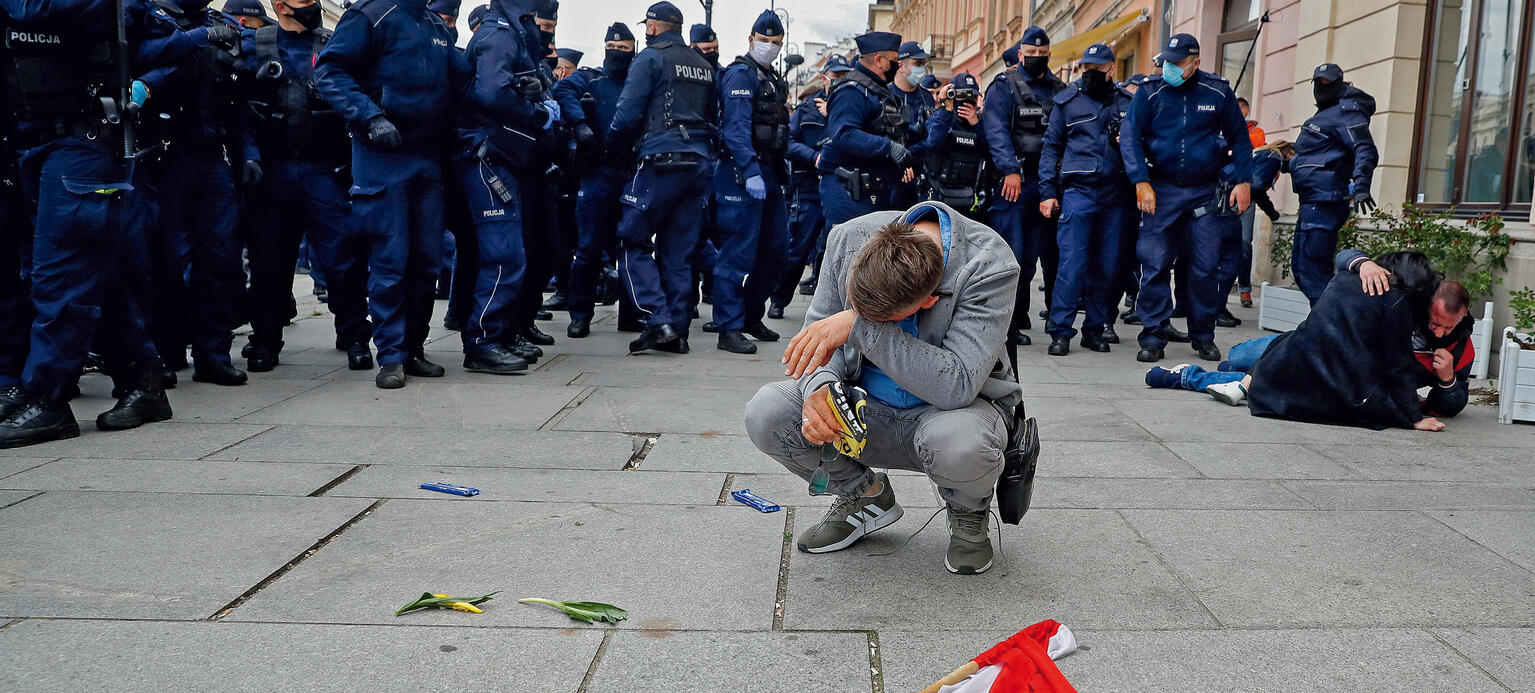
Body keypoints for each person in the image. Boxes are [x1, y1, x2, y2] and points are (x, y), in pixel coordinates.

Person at [744, 201, 1021, 575]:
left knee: (962, 444)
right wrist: (820, 388)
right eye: (857, 307)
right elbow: (820, 337)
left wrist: (858, 327)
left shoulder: (989, 263)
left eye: (884, 318)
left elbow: (958, 384)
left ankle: (968, 511)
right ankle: (864, 497)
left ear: (928, 301)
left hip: (952, 414)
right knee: (768, 411)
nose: (858, 318)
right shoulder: (847, 239)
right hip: (864, 410)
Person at [0, 0, 203, 446]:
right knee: (87, 270)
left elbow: (181, 50)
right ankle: (143, 381)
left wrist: (146, 86)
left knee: (62, 275)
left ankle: (46, 399)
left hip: (85, 141)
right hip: (30, 141)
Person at [316, 0, 472, 388]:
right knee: (390, 258)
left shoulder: (435, 25)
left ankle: (413, 348)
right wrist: (370, 117)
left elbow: (464, 81)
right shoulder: (370, 14)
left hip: (427, 156)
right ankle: (391, 355)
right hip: (382, 154)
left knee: (426, 260)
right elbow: (330, 71)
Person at [1178, 252, 1470, 432]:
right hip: (1322, 342)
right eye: (1435, 322)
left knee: (1275, 372)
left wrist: (1447, 382)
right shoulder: (1400, 298)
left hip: (1343, 363)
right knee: (1242, 356)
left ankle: (1192, 377)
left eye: (1448, 327)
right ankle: (1241, 375)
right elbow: (1344, 256)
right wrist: (1363, 263)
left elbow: (1453, 404)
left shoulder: (1458, 344)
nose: (1440, 332)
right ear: (1427, 300)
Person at [242, 0, 374, 373]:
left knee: (343, 259)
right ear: (280, 6)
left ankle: (354, 337)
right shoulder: (254, 44)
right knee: (270, 262)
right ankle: (265, 340)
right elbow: (237, 107)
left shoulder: (333, 44)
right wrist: (249, 155)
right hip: (273, 171)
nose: (313, 5)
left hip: (323, 171)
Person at [1121, 33, 1252, 363]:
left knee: (1206, 268)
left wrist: (1242, 181)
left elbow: (1241, 138)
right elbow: (1130, 138)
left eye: (1178, 64)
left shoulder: (1217, 91)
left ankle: (1203, 335)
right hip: (1159, 191)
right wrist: (1140, 182)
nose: (1170, 68)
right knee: (1154, 264)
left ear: (1195, 63)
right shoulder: (1151, 91)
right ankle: (1152, 336)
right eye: (1167, 61)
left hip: (1202, 192)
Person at [608, 1, 718, 354]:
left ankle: (658, 320)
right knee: (678, 253)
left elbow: (626, 114)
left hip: (659, 161)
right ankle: (678, 331)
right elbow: (713, 115)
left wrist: (611, 146)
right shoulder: (702, 64)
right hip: (698, 164)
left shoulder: (650, 58)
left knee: (631, 240)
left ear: (653, 27)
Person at [1037, 43, 1132, 356]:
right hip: (1079, 192)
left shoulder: (1128, 103)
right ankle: (1061, 331)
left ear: (1111, 69)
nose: (1091, 73)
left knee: (1108, 266)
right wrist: (1048, 192)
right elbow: (1051, 148)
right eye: (1086, 67)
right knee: (1071, 264)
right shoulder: (1067, 102)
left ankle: (1095, 329)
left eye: (1097, 68)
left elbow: (1140, 148)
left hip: (1116, 194)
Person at [710, 9, 791, 355]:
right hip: (741, 174)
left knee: (776, 251)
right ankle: (728, 326)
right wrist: (751, 169)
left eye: (776, 42)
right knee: (737, 253)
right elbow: (736, 130)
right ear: (751, 39)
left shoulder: (771, 77)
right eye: (764, 41)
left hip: (769, 173)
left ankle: (750, 315)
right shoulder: (742, 75)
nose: (769, 47)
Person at [554, 21, 640, 339]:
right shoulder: (592, 78)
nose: (616, 53)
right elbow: (562, 89)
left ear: (633, 50)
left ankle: (630, 315)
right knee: (588, 249)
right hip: (597, 174)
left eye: (623, 49)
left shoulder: (637, 81)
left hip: (631, 173)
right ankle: (580, 315)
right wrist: (580, 124)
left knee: (630, 248)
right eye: (612, 47)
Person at [982, 26, 1066, 347]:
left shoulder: (1057, 88)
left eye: (1042, 56)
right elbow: (996, 131)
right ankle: (1006, 324)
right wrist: (1009, 170)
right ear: (1020, 54)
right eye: (1031, 55)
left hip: (1045, 184)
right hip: (1013, 184)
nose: (1036, 60)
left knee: (1035, 256)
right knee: (1011, 256)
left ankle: (1030, 318)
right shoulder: (1003, 86)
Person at [1289, 63, 1379, 305]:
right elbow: (1318, 157)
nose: (1322, 87)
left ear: (1340, 84)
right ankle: (1321, 328)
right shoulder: (1328, 114)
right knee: (1301, 270)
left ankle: (1327, 330)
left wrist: (1361, 186)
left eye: (1329, 82)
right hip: (1313, 201)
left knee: (1314, 273)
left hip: (1325, 202)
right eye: (1319, 82)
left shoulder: (1347, 113)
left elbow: (1365, 149)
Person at [769, 56, 841, 320]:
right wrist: (814, 157)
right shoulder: (806, 109)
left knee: (832, 248)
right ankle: (778, 299)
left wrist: (832, 116)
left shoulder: (844, 107)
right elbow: (787, 143)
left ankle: (826, 306)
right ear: (824, 79)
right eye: (835, 77)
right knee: (799, 247)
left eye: (843, 77)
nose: (839, 82)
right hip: (809, 186)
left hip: (838, 186)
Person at [816, 31, 911, 229]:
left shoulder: (879, 92)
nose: (898, 65)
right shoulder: (852, 91)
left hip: (874, 190)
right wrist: (888, 148)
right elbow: (844, 134)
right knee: (849, 254)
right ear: (879, 60)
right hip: (848, 190)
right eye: (894, 60)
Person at [921, 73, 987, 218]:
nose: (967, 103)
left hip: (967, 197)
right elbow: (933, 144)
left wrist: (976, 124)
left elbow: (990, 149)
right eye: (962, 97)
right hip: (938, 194)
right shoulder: (941, 117)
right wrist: (948, 109)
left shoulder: (981, 123)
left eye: (972, 98)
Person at [888, 40, 934, 208]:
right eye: (917, 63)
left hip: (920, 172)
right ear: (901, 66)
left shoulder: (926, 97)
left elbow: (931, 136)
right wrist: (901, 161)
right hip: (892, 173)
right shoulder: (886, 94)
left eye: (923, 64)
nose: (921, 69)